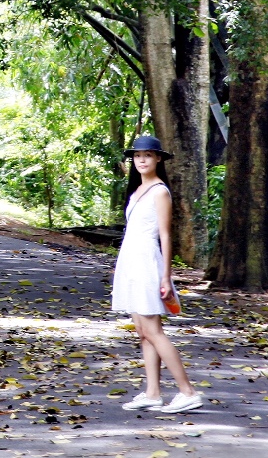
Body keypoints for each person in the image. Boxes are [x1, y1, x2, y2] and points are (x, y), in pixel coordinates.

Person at [114, 134, 203, 414]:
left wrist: (166, 276)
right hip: (130, 260)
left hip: (147, 262)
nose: (141, 160)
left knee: (153, 330)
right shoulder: (138, 190)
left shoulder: (160, 191)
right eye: (137, 156)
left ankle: (187, 391)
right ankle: (153, 393)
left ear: (158, 159)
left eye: (148, 155)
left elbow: (165, 235)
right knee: (142, 331)